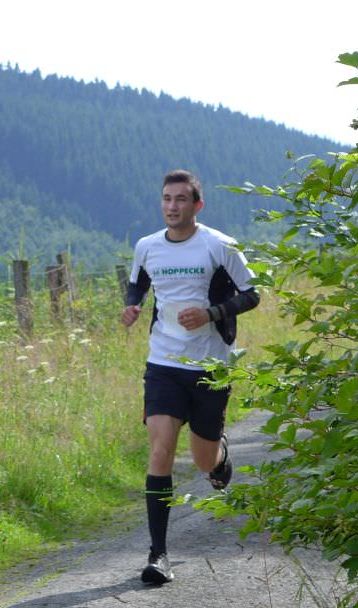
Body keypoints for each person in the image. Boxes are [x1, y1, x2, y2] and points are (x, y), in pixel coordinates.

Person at [122, 169, 259, 585]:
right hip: (163, 364)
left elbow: (252, 294)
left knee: (203, 461)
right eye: (167, 199)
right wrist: (132, 307)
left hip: (210, 366)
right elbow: (137, 284)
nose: (172, 206)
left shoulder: (219, 245)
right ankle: (158, 555)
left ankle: (220, 457)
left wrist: (211, 314)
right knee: (160, 449)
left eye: (181, 199)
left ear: (197, 205)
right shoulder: (147, 246)